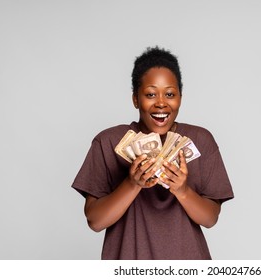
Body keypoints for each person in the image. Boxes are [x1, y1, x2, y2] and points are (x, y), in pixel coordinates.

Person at [72, 46, 234, 260]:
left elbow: (210, 218)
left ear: (180, 98)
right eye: (150, 94)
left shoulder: (201, 140)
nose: (160, 102)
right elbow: (95, 221)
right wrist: (132, 184)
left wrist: (182, 190)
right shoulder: (109, 142)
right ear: (135, 99)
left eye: (169, 94)